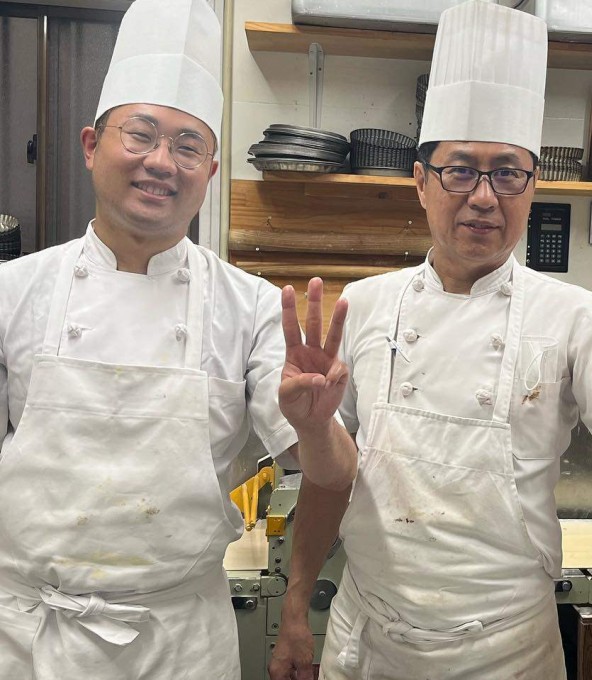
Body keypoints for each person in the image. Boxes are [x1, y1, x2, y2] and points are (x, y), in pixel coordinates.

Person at [268, 2, 592, 679]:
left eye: (508, 172)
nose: (485, 197)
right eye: (460, 170)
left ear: (532, 185)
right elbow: (330, 481)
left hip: (506, 653)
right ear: (420, 182)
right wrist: (295, 601)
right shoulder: (363, 308)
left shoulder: (574, 317)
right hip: (369, 641)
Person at [0, 1, 347, 677]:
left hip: (181, 641)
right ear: (91, 146)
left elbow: (331, 475)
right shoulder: (14, 291)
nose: (161, 162)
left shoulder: (250, 307)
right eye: (141, 136)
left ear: (210, 173)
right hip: (28, 635)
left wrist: (316, 427)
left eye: (188, 147)